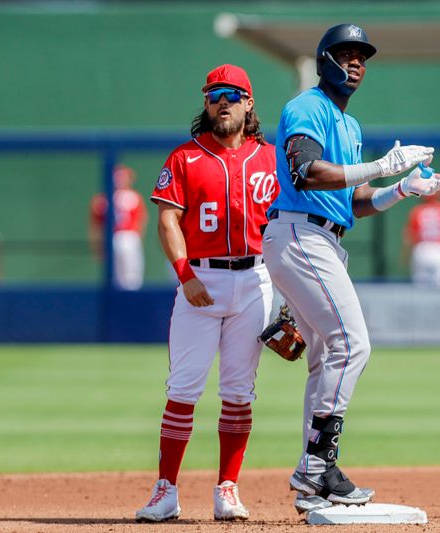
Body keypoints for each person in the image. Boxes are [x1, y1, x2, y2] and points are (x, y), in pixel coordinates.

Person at [261, 24, 440, 514]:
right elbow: (308, 171)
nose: (356, 62)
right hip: (300, 231)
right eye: (345, 53)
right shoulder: (307, 107)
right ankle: (317, 466)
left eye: (362, 56)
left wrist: (402, 189)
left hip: (322, 234)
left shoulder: (350, 125)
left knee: (326, 357)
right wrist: (383, 166)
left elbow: (351, 200)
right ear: (324, 60)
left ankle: (313, 476)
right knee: (353, 344)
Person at [135, 64, 278, 522]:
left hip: (256, 279)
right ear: (205, 102)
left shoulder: (271, 159)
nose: (223, 101)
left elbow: (287, 227)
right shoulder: (185, 157)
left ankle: (227, 489)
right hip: (201, 279)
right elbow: (166, 220)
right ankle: (166, 490)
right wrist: (184, 274)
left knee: (239, 391)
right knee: (183, 388)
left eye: (233, 94)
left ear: (248, 103)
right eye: (215, 93)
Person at [88, 164, 148, 290]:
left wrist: (98, 246)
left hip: (113, 238)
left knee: (116, 280)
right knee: (132, 280)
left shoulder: (101, 198)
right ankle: (130, 305)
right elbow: (141, 221)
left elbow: (96, 227)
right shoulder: (133, 196)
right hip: (129, 237)